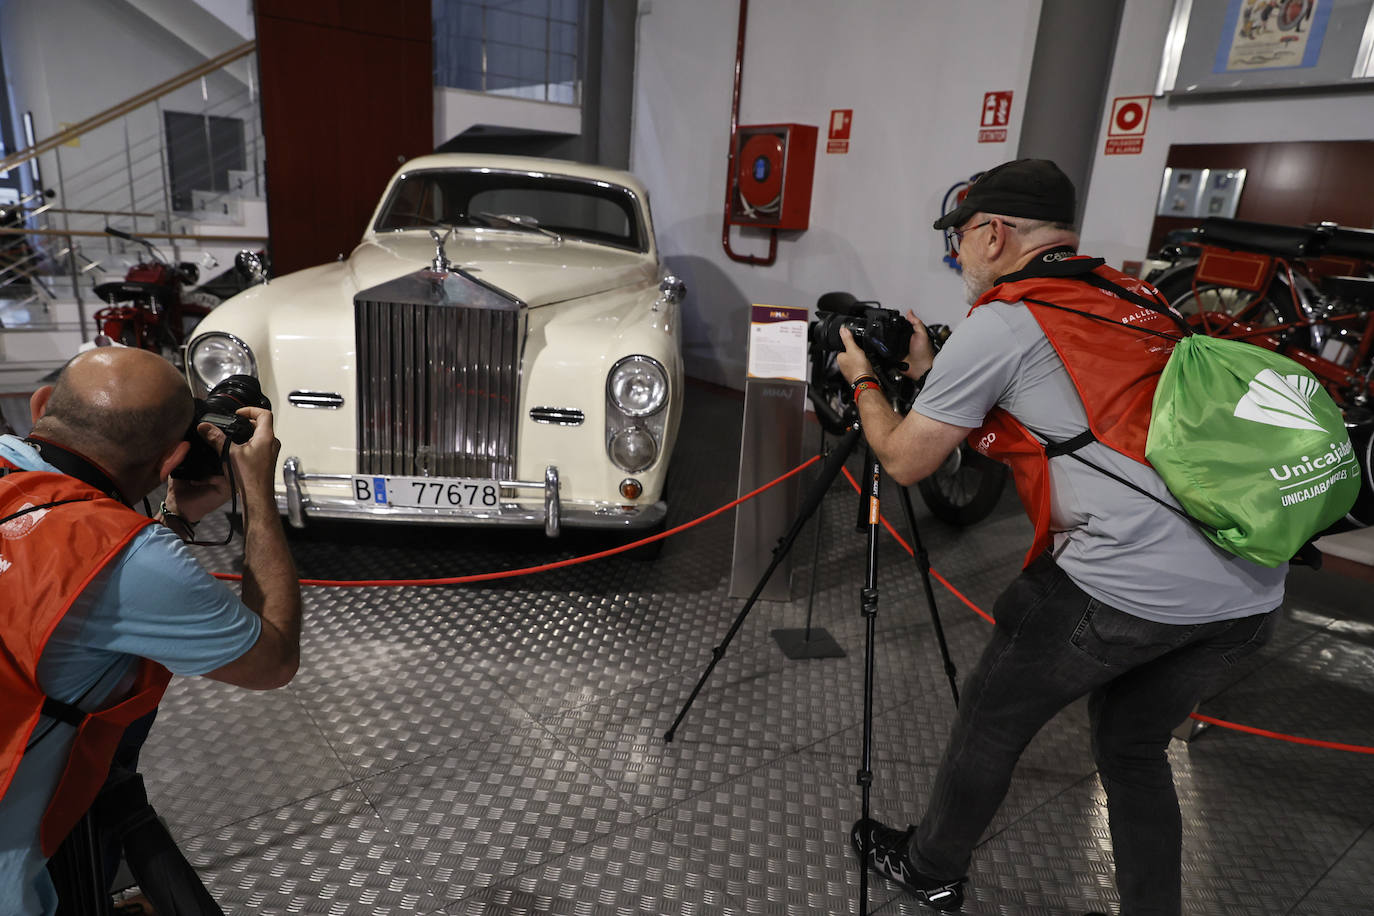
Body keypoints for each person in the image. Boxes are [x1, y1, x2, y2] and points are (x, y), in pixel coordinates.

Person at [837, 159, 1286, 915]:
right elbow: (1067, 409)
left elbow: (907, 460)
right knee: (1133, 746)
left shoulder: (1006, 319)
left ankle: (931, 868)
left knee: (991, 717)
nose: (959, 258)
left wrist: (864, 380)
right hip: (1247, 588)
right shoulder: (1136, 295)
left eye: (961, 241)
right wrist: (934, 372)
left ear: (992, 233)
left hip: (1125, 584)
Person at [0, 347, 302, 915]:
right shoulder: (126, 558)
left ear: (41, 404)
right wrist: (257, 492)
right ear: (172, 462)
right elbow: (273, 660)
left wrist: (177, 518)